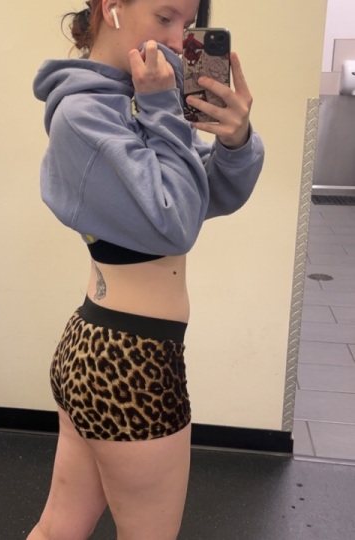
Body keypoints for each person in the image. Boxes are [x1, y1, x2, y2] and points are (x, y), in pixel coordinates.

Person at [30, 0, 264, 538]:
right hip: (130, 363)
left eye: (188, 23)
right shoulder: (84, 114)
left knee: (59, 528)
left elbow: (206, 196)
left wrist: (233, 141)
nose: (179, 38)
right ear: (112, 8)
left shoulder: (134, 99)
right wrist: (162, 108)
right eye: (165, 17)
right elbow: (176, 222)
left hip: (100, 347)